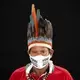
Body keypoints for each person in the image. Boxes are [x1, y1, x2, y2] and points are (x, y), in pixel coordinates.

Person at [9, 4, 73, 80]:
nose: (38, 55)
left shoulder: (64, 75)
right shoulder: (17, 75)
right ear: (28, 53)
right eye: (34, 52)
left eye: (43, 51)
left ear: (51, 53)